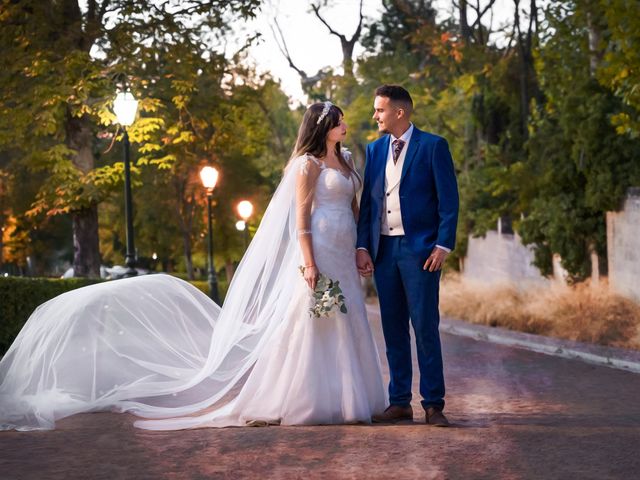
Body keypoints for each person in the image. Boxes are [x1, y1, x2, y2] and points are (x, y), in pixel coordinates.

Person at [0, 102, 387, 431]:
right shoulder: (307, 165)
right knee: (312, 319)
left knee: (347, 314)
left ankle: (353, 398)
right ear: (323, 127)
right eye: (338, 121)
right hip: (318, 244)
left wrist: (360, 247)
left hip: (344, 244)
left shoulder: (348, 160)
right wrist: (308, 261)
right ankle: (308, 398)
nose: (344, 125)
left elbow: (355, 208)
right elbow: (301, 218)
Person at [356, 85, 459, 427]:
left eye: (380, 110)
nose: (375, 116)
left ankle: (433, 404)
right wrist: (363, 247)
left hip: (421, 252)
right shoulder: (373, 150)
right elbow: (369, 205)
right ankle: (399, 401)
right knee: (393, 328)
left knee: (425, 326)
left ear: (399, 112)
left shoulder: (433, 146)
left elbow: (449, 200)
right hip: (385, 250)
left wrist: (442, 245)